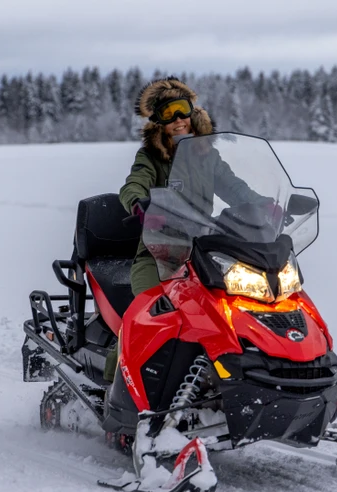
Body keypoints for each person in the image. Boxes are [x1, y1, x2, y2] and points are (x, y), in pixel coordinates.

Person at [103, 77, 265, 382]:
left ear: (193, 113)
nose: (178, 120)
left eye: (182, 110)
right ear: (159, 123)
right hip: (157, 252)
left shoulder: (208, 157)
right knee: (146, 313)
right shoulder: (151, 157)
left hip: (202, 254)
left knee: (231, 309)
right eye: (168, 114)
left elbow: (235, 188)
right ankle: (113, 388)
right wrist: (138, 202)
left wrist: (264, 205)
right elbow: (135, 181)